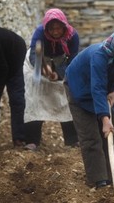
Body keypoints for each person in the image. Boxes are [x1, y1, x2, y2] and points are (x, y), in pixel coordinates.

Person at [64, 26, 114, 189]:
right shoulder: (100, 55)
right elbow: (97, 88)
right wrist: (104, 119)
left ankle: (111, 177)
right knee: (91, 136)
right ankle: (98, 179)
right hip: (80, 89)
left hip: (106, 93)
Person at [24, 8, 80, 151]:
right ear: (46, 28)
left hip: (61, 63)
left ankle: (73, 140)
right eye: (52, 29)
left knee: (65, 98)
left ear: (64, 27)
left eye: (58, 28)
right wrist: (44, 71)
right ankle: (32, 141)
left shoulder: (73, 36)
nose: (55, 32)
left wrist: (59, 75)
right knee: (35, 99)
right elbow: (34, 57)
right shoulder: (39, 33)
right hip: (37, 63)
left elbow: (73, 61)